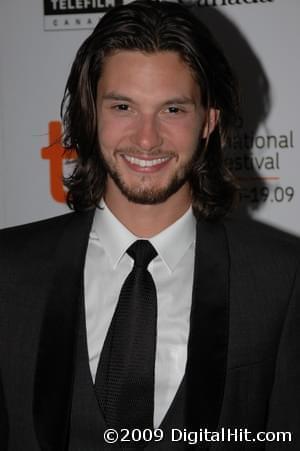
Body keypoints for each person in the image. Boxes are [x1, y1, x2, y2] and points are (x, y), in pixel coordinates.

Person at [0, 1, 299, 450]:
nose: (146, 138)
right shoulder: (8, 271)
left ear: (208, 122)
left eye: (173, 110)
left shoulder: (282, 277)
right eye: (123, 106)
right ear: (91, 113)